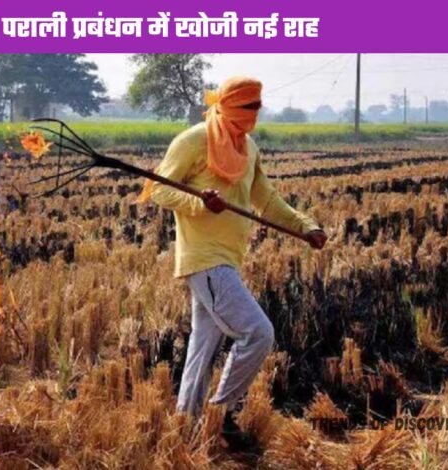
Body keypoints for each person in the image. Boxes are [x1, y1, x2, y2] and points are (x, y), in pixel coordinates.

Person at [139, 76, 327, 446]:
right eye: (249, 107)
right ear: (230, 106)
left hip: (228, 258)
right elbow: (158, 188)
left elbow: (267, 200)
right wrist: (198, 201)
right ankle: (220, 413)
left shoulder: (248, 147)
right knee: (258, 332)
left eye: (258, 107)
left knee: (203, 349)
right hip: (205, 259)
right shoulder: (194, 140)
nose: (255, 114)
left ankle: (186, 429)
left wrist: (306, 226)